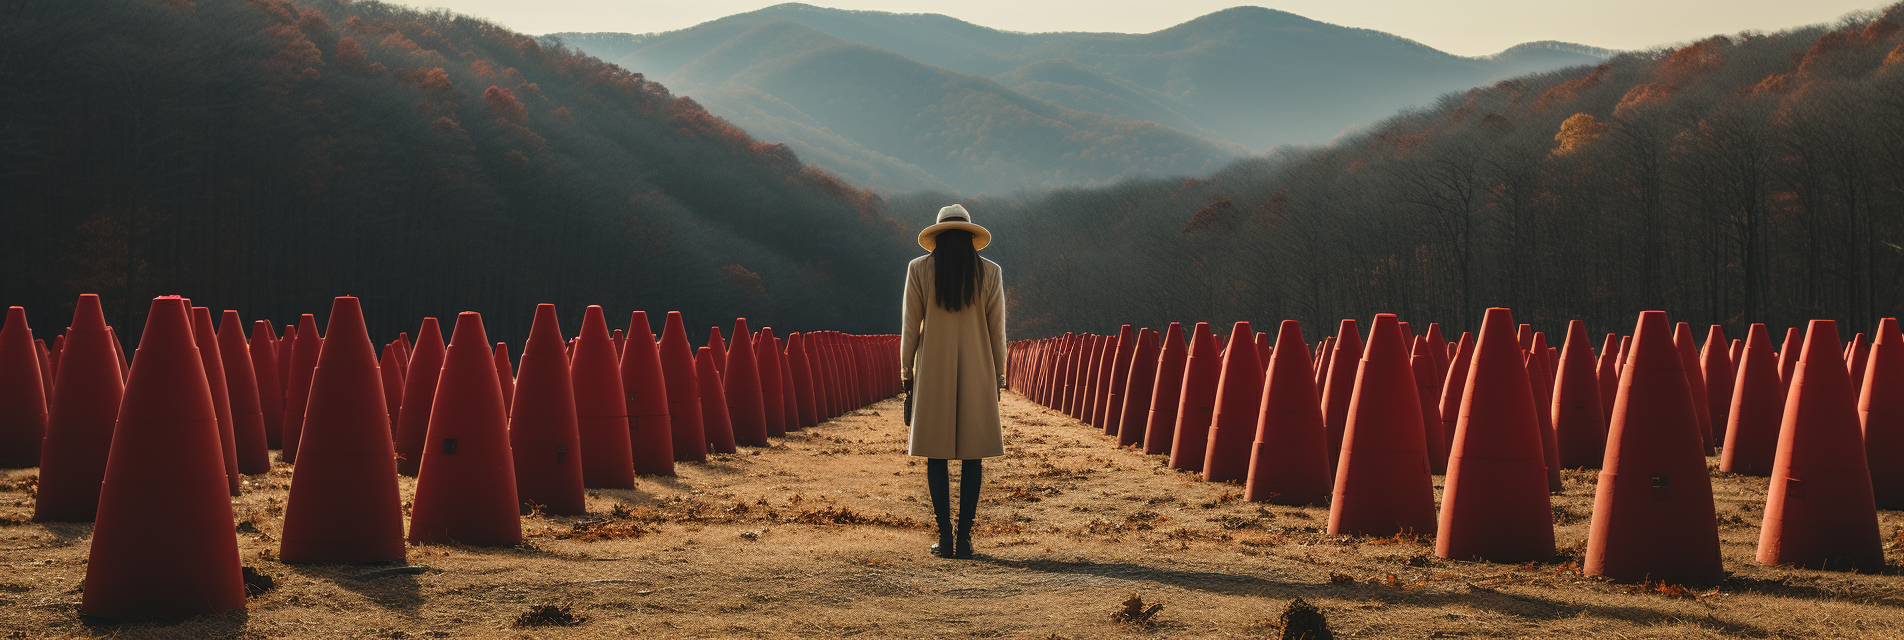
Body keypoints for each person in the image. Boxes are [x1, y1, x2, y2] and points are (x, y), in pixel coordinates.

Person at [900, 204, 1007, 559]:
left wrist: (906, 374)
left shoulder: (919, 269)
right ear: (969, 236)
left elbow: (910, 327)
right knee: (973, 456)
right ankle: (965, 538)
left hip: (931, 368)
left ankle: (944, 537)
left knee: (937, 454)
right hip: (978, 366)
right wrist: (999, 376)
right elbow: (997, 331)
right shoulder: (989, 272)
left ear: (938, 236)